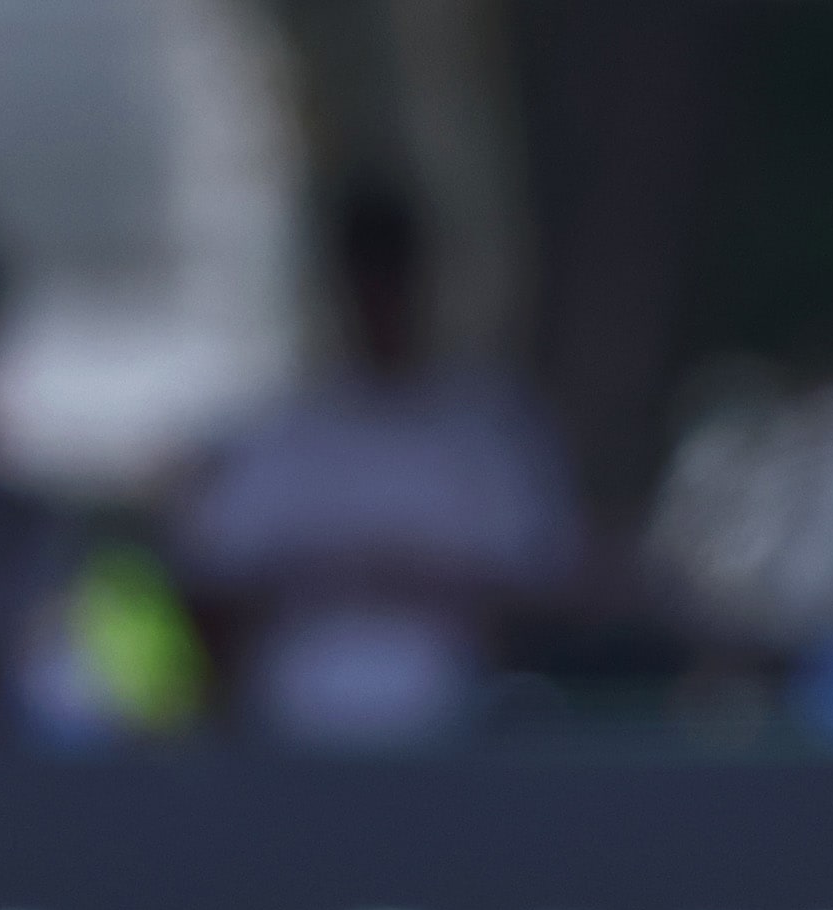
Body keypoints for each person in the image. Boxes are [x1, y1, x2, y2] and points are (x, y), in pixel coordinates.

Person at [177, 184, 577, 742]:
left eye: (391, 276)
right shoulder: (284, 432)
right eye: (365, 277)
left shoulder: (487, 431)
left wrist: (420, 583)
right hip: (293, 733)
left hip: (466, 733)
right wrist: (328, 579)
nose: (379, 300)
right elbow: (211, 579)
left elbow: (552, 585)